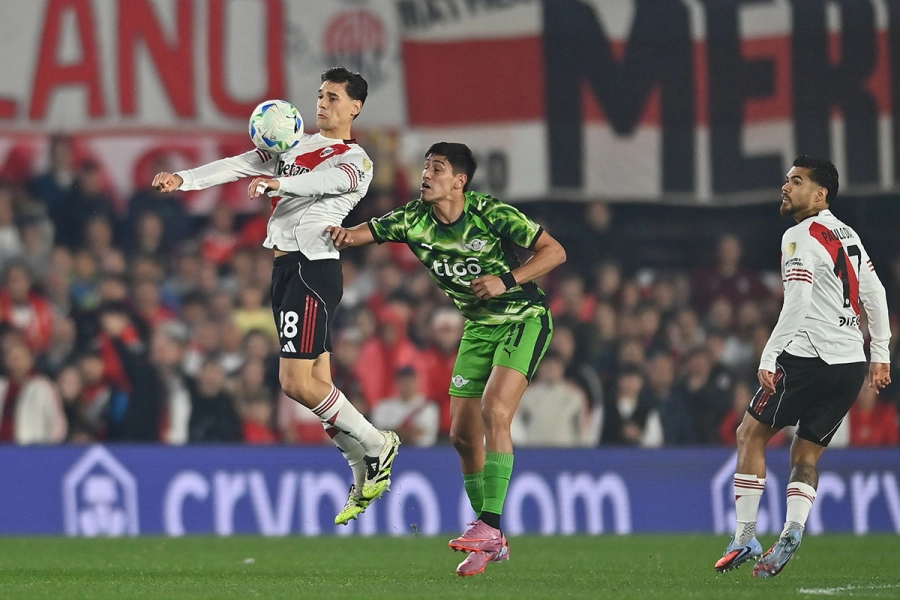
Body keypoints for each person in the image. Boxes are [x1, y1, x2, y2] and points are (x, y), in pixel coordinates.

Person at [150, 67, 400, 524]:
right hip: (286, 269)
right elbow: (238, 164)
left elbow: (322, 184)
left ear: (355, 107)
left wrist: (279, 184)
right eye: (320, 95)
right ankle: (361, 467)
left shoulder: (357, 160)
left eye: (333, 97)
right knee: (318, 384)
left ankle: (377, 444)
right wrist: (182, 179)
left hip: (313, 268)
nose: (322, 103)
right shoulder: (292, 143)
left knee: (294, 383)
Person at [327, 142, 566, 577]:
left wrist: (506, 279)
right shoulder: (411, 219)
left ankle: (490, 526)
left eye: (437, 168)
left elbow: (555, 251)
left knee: (496, 411)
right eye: (425, 167)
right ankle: (488, 536)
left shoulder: (490, 213)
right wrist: (331, 231)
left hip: (523, 318)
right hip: (477, 329)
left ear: (459, 180)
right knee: (460, 436)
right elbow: (358, 234)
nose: (426, 174)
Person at [715, 156, 892, 577]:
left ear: (820, 194)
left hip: (809, 355)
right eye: (787, 180)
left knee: (750, 434)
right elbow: (877, 293)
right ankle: (793, 529)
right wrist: (880, 354)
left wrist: (770, 355)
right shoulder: (848, 234)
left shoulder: (799, 235)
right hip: (849, 364)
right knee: (806, 451)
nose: (786, 187)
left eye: (796, 181)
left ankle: (745, 536)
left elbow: (796, 301)